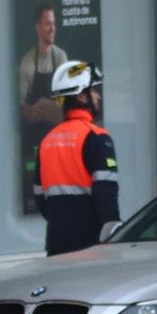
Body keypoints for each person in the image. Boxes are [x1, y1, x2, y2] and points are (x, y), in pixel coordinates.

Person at [33, 61, 118, 256]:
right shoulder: (97, 138)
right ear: (81, 96)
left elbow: (40, 197)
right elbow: (106, 194)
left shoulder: (47, 141)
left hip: (57, 245)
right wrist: (113, 233)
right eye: (94, 90)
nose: (99, 96)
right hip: (91, 247)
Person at [17, 3, 67, 206]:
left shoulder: (61, 57)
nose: (52, 28)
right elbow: (20, 107)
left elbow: (67, 100)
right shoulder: (27, 63)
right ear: (38, 27)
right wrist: (31, 111)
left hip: (57, 139)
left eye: (54, 24)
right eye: (48, 24)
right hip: (35, 140)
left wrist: (53, 108)